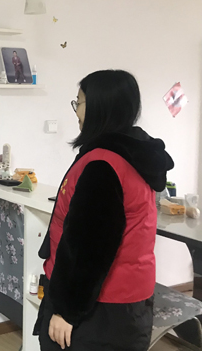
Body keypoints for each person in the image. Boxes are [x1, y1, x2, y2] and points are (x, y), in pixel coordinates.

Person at [34, 70, 174, 350]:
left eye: (79, 102)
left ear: (101, 107)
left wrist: (65, 311)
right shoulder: (131, 153)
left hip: (99, 311)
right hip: (127, 305)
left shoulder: (103, 165)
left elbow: (87, 248)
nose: (76, 111)